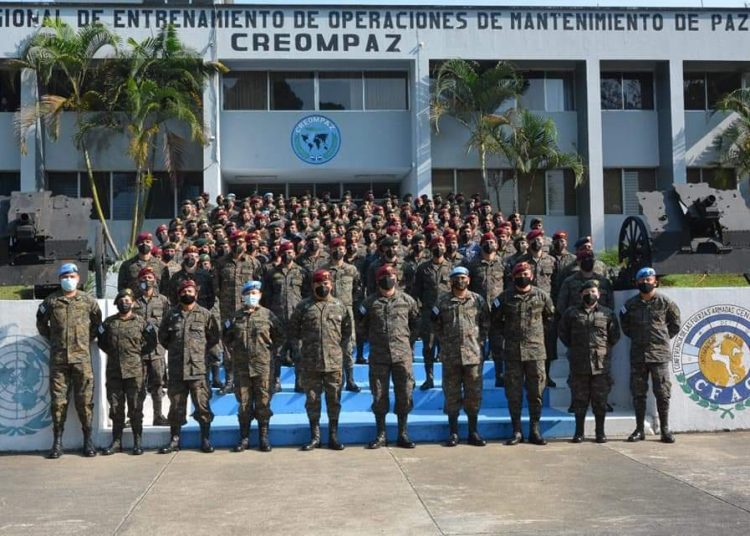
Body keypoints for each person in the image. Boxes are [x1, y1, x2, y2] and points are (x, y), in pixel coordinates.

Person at [36, 263, 102, 459]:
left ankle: (88, 441)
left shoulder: (88, 301)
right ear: (60, 279)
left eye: (72, 276)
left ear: (78, 279)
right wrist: (55, 340)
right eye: (65, 277)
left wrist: (84, 340)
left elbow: (97, 324)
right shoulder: (51, 301)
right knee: (58, 402)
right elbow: (41, 325)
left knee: (85, 402)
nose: (68, 279)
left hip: (82, 359)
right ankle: (57, 443)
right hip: (59, 360)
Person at [289, 269, 352, 451]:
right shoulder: (303, 307)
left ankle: (333, 436)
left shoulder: (340, 306)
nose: (322, 286)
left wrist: (337, 350)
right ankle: (315, 437)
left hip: (333, 362)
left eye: (326, 283)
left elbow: (347, 332)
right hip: (311, 363)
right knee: (312, 401)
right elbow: (293, 331)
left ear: (331, 285)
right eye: (319, 283)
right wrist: (300, 352)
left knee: (334, 400)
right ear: (312, 285)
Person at [492, 262, 555, 446]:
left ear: (532, 276)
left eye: (526, 273)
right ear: (513, 277)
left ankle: (535, 430)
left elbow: (550, 319)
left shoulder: (542, 296)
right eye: (519, 274)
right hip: (513, 353)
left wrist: (537, 335)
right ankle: (517, 431)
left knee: (536, 393)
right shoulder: (504, 298)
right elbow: (495, 322)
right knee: (514, 394)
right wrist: (506, 337)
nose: (522, 277)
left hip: (536, 353)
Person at [358, 265, 420, 449]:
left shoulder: (407, 300)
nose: (388, 279)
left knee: (405, 394)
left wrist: (407, 341)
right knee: (379, 395)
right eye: (384, 276)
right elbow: (361, 326)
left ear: (396, 278)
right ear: (378, 281)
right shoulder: (369, 303)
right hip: (379, 356)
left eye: (391, 275)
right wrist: (375, 340)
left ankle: (402, 433)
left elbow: (416, 323)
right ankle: (381, 434)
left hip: (402, 356)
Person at [158, 279, 221, 454]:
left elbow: (213, 337)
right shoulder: (171, 315)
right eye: (184, 291)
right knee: (176, 407)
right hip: (177, 369)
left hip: (198, 370)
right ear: (179, 294)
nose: (187, 294)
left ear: (196, 294)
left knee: (202, 406)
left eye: (190, 291)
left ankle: (205, 439)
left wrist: (198, 351)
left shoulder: (205, 315)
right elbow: (163, 338)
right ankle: (174, 440)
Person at [620, 267, 681, 443]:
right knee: (638, 393)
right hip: (638, 355)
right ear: (637, 283)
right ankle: (639, 429)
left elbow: (675, 324)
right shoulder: (630, 305)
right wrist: (639, 338)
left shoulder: (665, 302)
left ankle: (665, 429)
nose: (645, 282)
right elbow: (625, 326)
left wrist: (661, 338)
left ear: (656, 282)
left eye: (648, 279)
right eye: (642, 280)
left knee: (663, 393)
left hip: (659, 355)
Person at [223, 280, 284, 452]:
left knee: (263, 403)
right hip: (242, 367)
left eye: (254, 293)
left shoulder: (268, 315)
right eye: (248, 294)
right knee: (244, 404)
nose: (251, 296)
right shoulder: (235, 317)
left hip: (262, 367)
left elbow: (280, 335)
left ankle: (263, 437)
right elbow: (226, 336)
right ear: (243, 296)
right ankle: (244, 438)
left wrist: (269, 351)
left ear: (260, 295)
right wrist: (236, 350)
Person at [433, 266, 490, 447]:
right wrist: (445, 342)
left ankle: (473, 432)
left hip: (473, 356)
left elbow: (485, 323)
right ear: (451, 281)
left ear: (469, 280)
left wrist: (479, 342)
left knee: (473, 395)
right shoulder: (442, 301)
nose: (460, 281)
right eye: (457, 278)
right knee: (452, 395)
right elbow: (435, 324)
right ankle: (454, 433)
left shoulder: (478, 300)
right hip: (451, 356)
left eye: (463, 277)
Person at [558, 280, 620, 443]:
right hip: (579, 365)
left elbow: (614, 336)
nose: (590, 295)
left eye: (593, 292)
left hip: (600, 366)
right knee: (580, 401)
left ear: (598, 294)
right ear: (581, 295)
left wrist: (601, 349)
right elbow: (563, 333)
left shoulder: (607, 313)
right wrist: (576, 348)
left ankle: (600, 433)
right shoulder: (571, 313)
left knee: (600, 401)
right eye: (586, 292)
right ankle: (579, 433)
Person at [97, 289, 157, 455]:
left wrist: (137, 353)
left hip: (134, 372)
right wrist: (113, 353)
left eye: (128, 300)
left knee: (135, 408)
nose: (125, 303)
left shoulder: (141, 322)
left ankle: (138, 442)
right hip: (114, 372)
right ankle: (117, 442)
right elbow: (102, 342)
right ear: (117, 303)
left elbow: (152, 342)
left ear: (133, 303)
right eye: (121, 300)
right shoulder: (108, 323)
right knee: (116, 408)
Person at [214, 231, 262, 395]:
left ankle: (248, 380)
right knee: (228, 346)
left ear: (245, 243)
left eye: (240, 241)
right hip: (227, 311)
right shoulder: (221, 264)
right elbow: (216, 288)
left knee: (248, 344)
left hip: (247, 312)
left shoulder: (254, 263)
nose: (237, 244)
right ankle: (229, 380)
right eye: (234, 241)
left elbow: (258, 288)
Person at [262, 241, 306, 392]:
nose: (288, 255)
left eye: (290, 252)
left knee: (299, 352)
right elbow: (266, 297)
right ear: (280, 255)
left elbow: (306, 294)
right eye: (285, 253)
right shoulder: (271, 273)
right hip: (278, 318)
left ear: (294, 253)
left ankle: (300, 381)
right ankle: (275, 380)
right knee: (277, 353)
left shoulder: (302, 272)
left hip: (296, 318)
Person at [411, 235, 452, 390]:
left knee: (447, 347)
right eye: (435, 245)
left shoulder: (451, 267)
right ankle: (429, 377)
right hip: (428, 313)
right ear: (430, 248)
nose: (439, 248)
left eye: (441, 245)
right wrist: (419, 309)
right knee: (428, 347)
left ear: (445, 247)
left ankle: (447, 378)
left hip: (447, 313)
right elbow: (416, 291)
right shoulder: (423, 268)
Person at [133, 266, 171, 426]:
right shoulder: (133, 301)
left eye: (149, 277)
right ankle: (135, 417)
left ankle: (158, 416)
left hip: (157, 350)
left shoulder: (163, 300)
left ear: (155, 280)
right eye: (144, 278)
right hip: (139, 351)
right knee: (137, 386)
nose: (147, 280)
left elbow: (169, 323)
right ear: (139, 281)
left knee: (158, 385)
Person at [467, 232, 506, 386]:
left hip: (498, 312)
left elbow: (508, 286)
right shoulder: (472, 264)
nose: (489, 244)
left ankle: (499, 375)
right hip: (478, 312)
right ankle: (477, 378)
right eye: (486, 241)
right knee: (478, 346)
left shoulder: (502, 263)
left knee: (498, 345)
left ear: (496, 245)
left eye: (492, 241)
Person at [324, 237, 362, 392]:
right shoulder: (323, 270)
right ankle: (336, 381)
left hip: (347, 312)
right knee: (331, 347)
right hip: (328, 312)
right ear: (330, 250)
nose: (338, 251)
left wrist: (350, 304)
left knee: (348, 347)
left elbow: (358, 289)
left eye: (340, 248)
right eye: (335, 248)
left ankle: (350, 379)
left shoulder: (351, 270)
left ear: (345, 251)